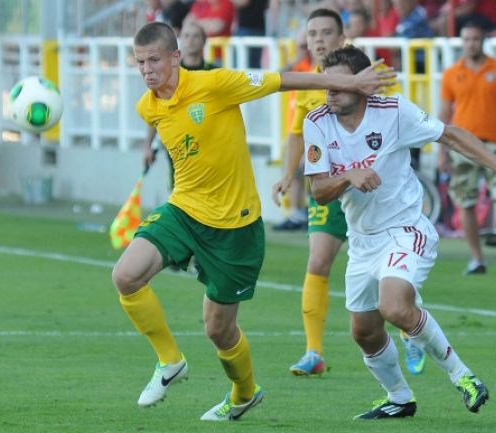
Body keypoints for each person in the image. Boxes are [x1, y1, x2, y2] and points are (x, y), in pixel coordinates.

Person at [112, 21, 392, 421]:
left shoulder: (216, 84)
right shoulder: (148, 106)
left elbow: (283, 80)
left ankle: (244, 393)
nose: (146, 70)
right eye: (140, 63)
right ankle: (169, 361)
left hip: (236, 228)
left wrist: (352, 82)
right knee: (125, 276)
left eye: (154, 59)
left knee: (218, 330)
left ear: (175, 57)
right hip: (184, 211)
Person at [303, 44, 496, 419]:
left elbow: (450, 135)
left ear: (363, 85)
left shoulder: (395, 111)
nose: (328, 90)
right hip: (362, 241)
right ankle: (399, 397)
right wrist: (349, 175)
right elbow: (318, 192)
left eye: (336, 83)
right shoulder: (317, 122)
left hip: (406, 228)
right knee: (364, 333)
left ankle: (463, 376)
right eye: (325, 82)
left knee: (395, 307)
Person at [271, 8, 426, 377]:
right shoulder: (310, 85)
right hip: (331, 187)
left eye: (326, 33)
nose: (319, 40)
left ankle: (410, 329)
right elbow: (296, 134)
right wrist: (287, 175)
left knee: (390, 268)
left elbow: (397, 119)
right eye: (312, 34)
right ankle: (313, 351)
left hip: (375, 191)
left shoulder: (371, 77)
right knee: (317, 262)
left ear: (343, 39)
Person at [438, 21, 496, 276]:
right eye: (467, 39)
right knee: (465, 202)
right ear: (462, 42)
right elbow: (444, 113)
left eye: (475, 39)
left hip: (495, 144)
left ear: (483, 41)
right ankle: (476, 259)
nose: (471, 43)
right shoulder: (451, 73)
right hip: (462, 145)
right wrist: (441, 150)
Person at [143, 21, 219, 189]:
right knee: (180, 190)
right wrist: (148, 145)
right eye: (186, 36)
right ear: (180, 41)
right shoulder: (169, 74)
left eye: (196, 36)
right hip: (180, 143)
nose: (191, 40)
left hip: (210, 145)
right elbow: (155, 109)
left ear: (204, 41)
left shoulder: (215, 72)